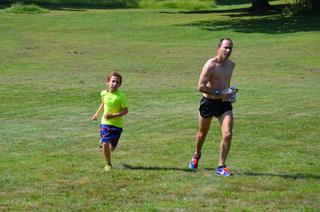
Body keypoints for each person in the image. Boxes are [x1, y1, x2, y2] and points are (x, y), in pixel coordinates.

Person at [189, 38, 236, 177]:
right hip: (208, 102)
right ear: (218, 48)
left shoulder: (231, 65)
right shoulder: (210, 65)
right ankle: (196, 155)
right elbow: (200, 87)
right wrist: (218, 92)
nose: (228, 51)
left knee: (227, 134)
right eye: (225, 47)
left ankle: (221, 166)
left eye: (230, 48)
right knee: (202, 133)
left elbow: (226, 83)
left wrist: (229, 93)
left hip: (224, 103)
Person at [92, 72, 128, 172]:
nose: (115, 84)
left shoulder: (121, 96)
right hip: (105, 123)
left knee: (111, 148)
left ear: (120, 84)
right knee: (105, 144)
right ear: (108, 82)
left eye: (117, 82)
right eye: (113, 81)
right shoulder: (103, 93)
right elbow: (103, 103)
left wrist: (113, 116)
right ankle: (108, 164)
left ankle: (104, 142)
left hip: (117, 125)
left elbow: (125, 111)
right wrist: (96, 114)